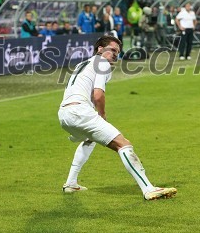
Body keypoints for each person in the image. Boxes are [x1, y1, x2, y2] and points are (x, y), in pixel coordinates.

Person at [58, 35, 177, 200]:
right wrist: (102, 115)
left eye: (118, 52)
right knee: (124, 145)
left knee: (90, 139)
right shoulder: (102, 64)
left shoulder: (82, 64)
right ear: (100, 49)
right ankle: (148, 189)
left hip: (64, 114)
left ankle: (71, 183)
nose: (115, 54)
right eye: (112, 50)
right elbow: (98, 95)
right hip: (80, 111)